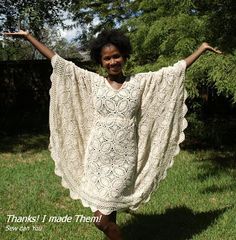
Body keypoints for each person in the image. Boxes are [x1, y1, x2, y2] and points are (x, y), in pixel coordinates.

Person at [4, 29, 222, 240]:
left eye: (116, 56)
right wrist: (29, 37)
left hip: (124, 159)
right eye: (106, 59)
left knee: (100, 220)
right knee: (109, 212)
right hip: (97, 157)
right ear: (101, 62)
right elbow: (59, 62)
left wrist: (201, 49)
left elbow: (173, 72)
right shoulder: (93, 83)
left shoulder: (139, 83)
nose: (112, 62)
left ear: (124, 56)